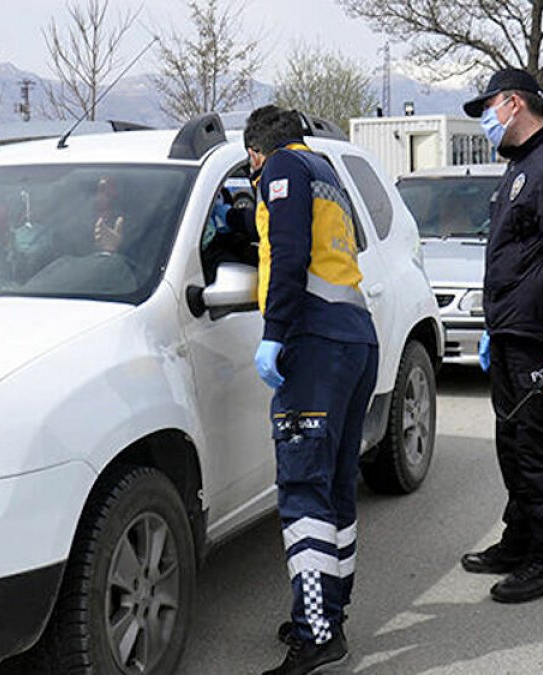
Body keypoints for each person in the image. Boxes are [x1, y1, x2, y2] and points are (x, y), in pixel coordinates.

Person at [245, 105, 379, 675]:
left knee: (303, 491)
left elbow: (291, 253)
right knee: (336, 490)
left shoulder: (280, 170)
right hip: (356, 339)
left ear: (256, 152)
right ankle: (330, 611)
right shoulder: (327, 172)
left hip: (315, 344)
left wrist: (275, 333)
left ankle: (316, 634)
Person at [458, 68, 543, 603]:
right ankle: (519, 540)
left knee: (540, 449)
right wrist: (495, 328)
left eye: (488, 108)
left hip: (538, 342)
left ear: (514, 103)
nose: (486, 120)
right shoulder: (523, 166)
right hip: (512, 334)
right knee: (512, 444)